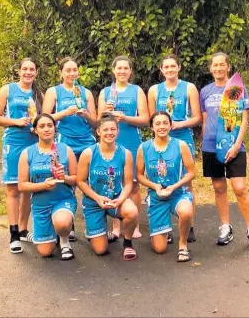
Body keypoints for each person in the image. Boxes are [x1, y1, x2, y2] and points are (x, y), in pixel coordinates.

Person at [200, 52, 249, 250]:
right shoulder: (205, 91)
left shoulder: (237, 88)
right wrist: (203, 144)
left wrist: (236, 145)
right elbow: (205, 120)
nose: (218, 68)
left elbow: (244, 120)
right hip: (210, 146)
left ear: (227, 67)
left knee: (240, 188)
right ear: (210, 68)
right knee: (219, 188)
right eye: (215, 65)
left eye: (221, 64)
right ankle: (226, 227)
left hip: (234, 145)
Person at [148, 54, 201, 243]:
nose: (170, 70)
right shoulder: (154, 90)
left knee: (186, 181)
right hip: (160, 139)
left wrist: (180, 124)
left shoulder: (189, 88)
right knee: (161, 178)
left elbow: (197, 118)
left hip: (182, 137)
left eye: (173, 66)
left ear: (179, 67)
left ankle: (189, 223)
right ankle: (166, 225)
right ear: (161, 70)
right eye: (166, 67)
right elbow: (151, 117)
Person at [0, 58, 43, 253]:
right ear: (19, 71)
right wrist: (16, 121)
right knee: (13, 189)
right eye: (25, 69)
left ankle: (23, 229)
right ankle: (13, 234)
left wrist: (36, 129)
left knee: (27, 189)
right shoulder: (8, 90)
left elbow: (43, 119)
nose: (28, 72)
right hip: (13, 144)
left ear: (36, 73)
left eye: (32, 69)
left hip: (33, 145)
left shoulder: (39, 94)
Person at [42, 57, 97, 241]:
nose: (72, 73)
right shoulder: (54, 91)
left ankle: (94, 224)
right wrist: (64, 113)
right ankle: (69, 225)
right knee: (66, 181)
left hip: (86, 141)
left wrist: (86, 114)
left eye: (75, 70)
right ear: (61, 72)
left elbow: (96, 122)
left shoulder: (85, 92)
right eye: (68, 70)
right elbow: (45, 119)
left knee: (89, 181)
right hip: (64, 142)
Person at [98, 56, 149, 241]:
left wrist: (125, 117)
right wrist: (106, 112)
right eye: (119, 68)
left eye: (126, 68)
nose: (122, 71)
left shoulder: (136, 91)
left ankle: (133, 224)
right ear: (113, 70)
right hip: (110, 142)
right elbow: (99, 120)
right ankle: (116, 225)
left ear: (130, 71)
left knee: (134, 185)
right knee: (113, 181)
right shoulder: (105, 92)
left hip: (131, 141)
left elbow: (145, 119)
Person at [77, 113, 139, 261]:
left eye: (113, 129)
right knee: (100, 250)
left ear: (118, 131)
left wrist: (120, 200)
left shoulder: (126, 154)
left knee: (132, 211)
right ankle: (94, 231)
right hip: (94, 202)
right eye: (105, 130)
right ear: (98, 131)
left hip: (115, 198)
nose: (109, 133)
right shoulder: (88, 153)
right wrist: (97, 198)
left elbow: (129, 183)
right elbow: (80, 181)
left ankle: (128, 243)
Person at [136, 111, 195, 262]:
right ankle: (164, 230)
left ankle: (183, 245)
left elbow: (191, 173)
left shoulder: (180, 145)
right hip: (157, 197)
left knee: (186, 211)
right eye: (157, 123)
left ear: (170, 125)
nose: (162, 126)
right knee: (160, 249)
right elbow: (139, 175)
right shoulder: (144, 148)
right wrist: (155, 186)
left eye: (165, 123)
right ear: (151, 128)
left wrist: (174, 186)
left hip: (177, 193)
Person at [18, 113, 78, 260]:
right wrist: (43, 185)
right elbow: (22, 186)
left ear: (54, 129)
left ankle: (64, 241)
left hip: (63, 199)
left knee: (62, 223)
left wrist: (64, 178)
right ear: (35, 130)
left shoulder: (66, 149)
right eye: (42, 126)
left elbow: (77, 179)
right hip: (41, 204)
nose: (46, 129)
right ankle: (52, 233)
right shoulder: (27, 153)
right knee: (45, 252)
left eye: (50, 125)